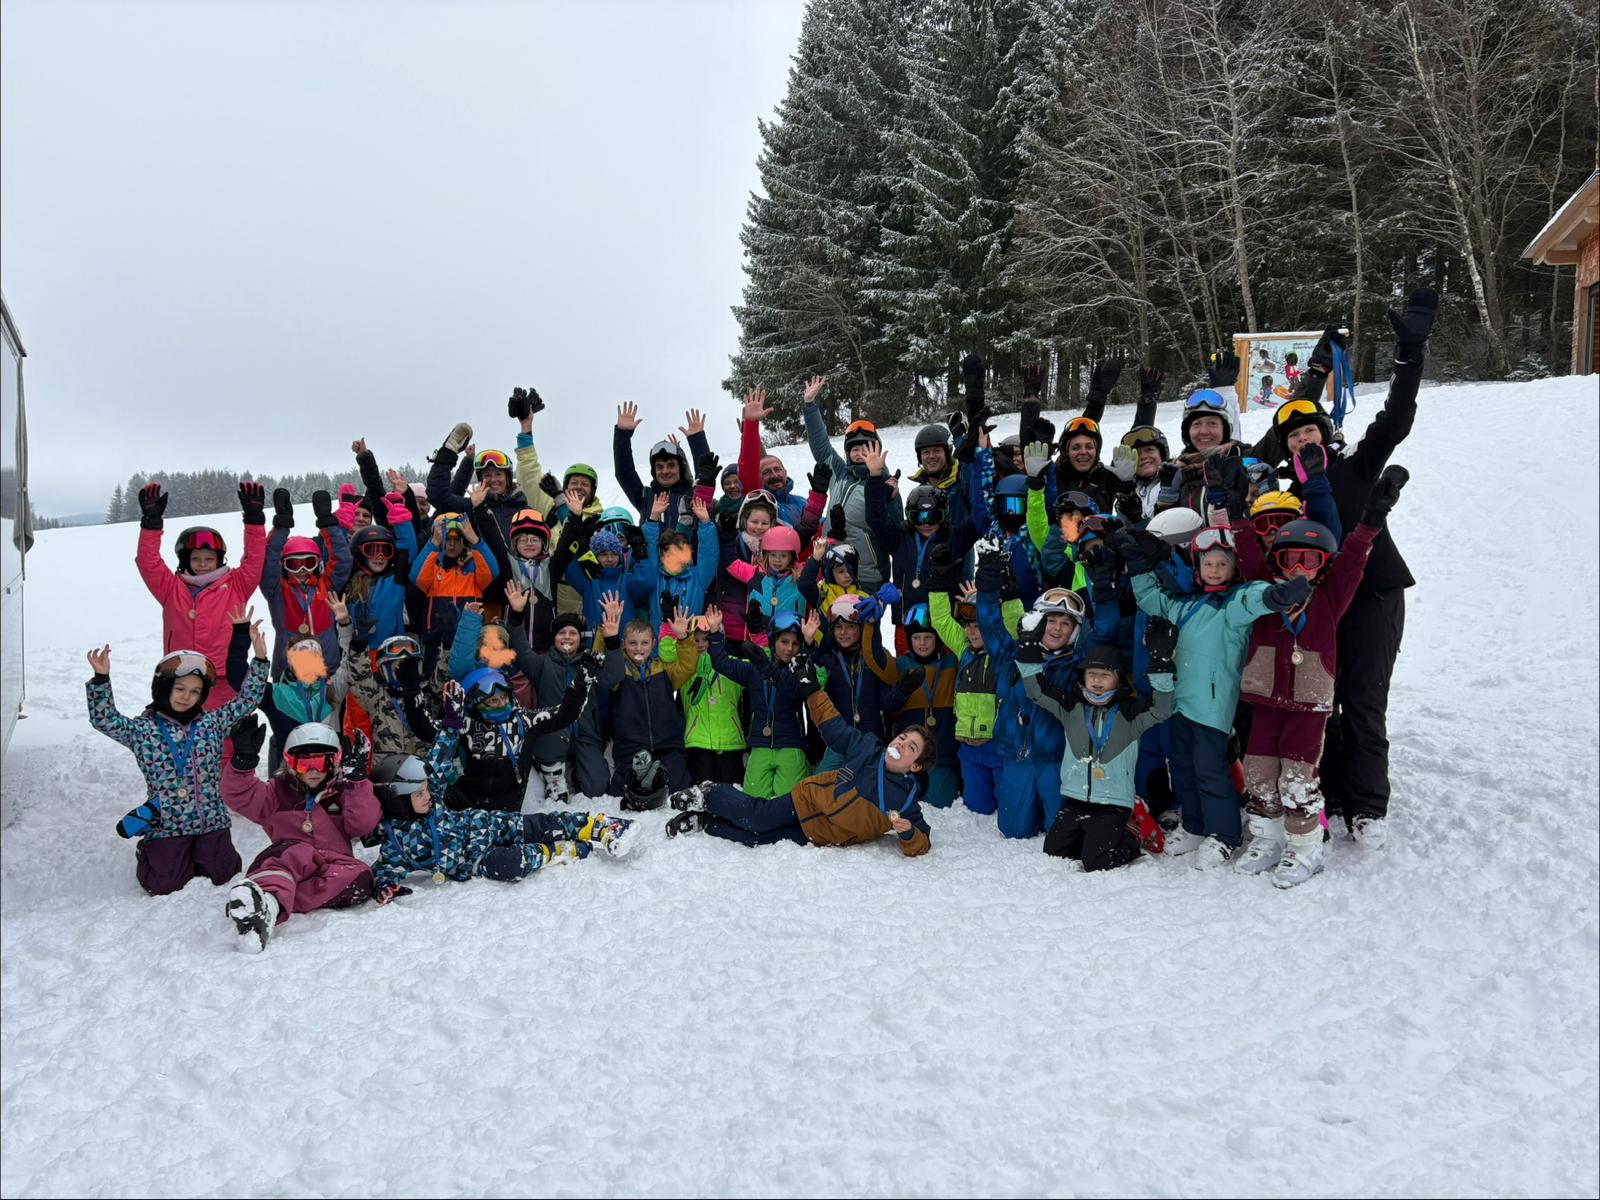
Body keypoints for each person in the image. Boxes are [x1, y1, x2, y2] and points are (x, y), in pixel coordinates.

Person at [1271, 294, 1437, 846]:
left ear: (1324, 434)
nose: (1302, 439)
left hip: (1374, 597)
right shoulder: (1286, 497)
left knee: (1364, 700)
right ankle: (1333, 792)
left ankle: (1367, 806)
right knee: (1322, 701)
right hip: (1320, 607)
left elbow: (1397, 418)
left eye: (1309, 430)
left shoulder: (1358, 466)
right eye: (1292, 436)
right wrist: (1317, 366)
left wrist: (1409, 356)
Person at [1232, 468, 1408, 885]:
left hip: (1308, 702)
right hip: (1264, 697)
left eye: (1309, 560)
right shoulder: (1264, 591)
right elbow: (1247, 552)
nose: (1298, 568)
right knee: (1258, 771)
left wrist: (1371, 520)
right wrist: (1234, 509)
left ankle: (1305, 847)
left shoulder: (1330, 597)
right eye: (1289, 558)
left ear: (1323, 565)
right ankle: (1268, 836)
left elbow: (1353, 558)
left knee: (1297, 775)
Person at [1119, 523, 1310, 869]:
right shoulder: (1187, 605)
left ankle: (1224, 834)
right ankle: (1193, 825)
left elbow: (1256, 600)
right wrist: (1137, 564)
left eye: (1222, 564)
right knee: (1182, 767)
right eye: (1209, 564)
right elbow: (1151, 599)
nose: (1215, 569)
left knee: (1209, 769)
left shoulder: (1233, 604)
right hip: (1181, 701)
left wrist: (1277, 597)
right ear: (1198, 568)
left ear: (1233, 569)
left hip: (1213, 705)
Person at [368, 686, 636, 904]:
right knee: (511, 864)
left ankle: (601, 826)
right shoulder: (396, 841)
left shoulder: (433, 796)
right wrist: (384, 886)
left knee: (537, 825)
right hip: (475, 862)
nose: (428, 795)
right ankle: (559, 851)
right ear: (397, 799)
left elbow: (440, 758)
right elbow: (383, 869)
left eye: (427, 789)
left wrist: (452, 721)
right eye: (418, 793)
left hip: (484, 824)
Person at [85, 624, 270, 896]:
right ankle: (148, 849)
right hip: (169, 823)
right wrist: (101, 679)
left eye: (195, 692)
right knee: (163, 886)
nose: (187, 696)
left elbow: (246, 701)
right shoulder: (143, 730)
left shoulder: (211, 724)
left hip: (211, 819)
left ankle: (201, 854)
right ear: (163, 688)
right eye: (180, 688)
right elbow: (105, 720)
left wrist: (261, 659)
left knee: (224, 874)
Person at [664, 673, 934, 856]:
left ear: (916, 767)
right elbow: (834, 726)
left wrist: (909, 834)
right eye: (901, 737)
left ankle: (704, 822)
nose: (900, 744)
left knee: (756, 838)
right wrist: (813, 691)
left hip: (820, 832)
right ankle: (709, 793)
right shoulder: (867, 748)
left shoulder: (906, 800)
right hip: (808, 800)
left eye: (910, 747)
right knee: (758, 816)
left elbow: (923, 842)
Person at [1018, 628, 1177, 871]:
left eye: (1105, 675)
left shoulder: (1129, 712)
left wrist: (1161, 666)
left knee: (1096, 862)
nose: (1097, 681)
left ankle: (1133, 835)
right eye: (1091, 674)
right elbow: (1037, 691)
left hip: (1111, 805)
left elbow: (1162, 709)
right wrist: (1029, 651)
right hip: (1075, 799)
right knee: (1055, 852)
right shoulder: (1071, 707)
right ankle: (1092, 837)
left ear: (1118, 679)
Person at [220, 719, 379, 953]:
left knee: (361, 877)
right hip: (286, 861)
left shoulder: (342, 791)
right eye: (305, 764)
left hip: (333, 862)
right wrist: (243, 764)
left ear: (335, 762)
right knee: (299, 851)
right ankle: (267, 902)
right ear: (290, 763)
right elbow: (242, 796)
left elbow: (362, 826)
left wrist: (357, 783)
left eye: (322, 762)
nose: (314, 771)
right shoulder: (276, 792)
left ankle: (267, 903)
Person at [134, 480, 268, 710]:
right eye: (195, 559)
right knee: (182, 738)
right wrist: (151, 524)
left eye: (209, 559)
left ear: (218, 559)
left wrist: (254, 520)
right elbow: (148, 562)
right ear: (186, 560)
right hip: (180, 676)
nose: (203, 565)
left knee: (223, 739)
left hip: (224, 678)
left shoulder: (237, 584)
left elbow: (255, 559)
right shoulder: (171, 587)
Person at [702, 606, 817, 797]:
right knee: (753, 799)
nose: (789, 648)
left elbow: (796, 690)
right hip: (760, 744)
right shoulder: (754, 670)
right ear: (773, 641)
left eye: (796, 644)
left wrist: (809, 643)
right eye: (784, 641)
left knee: (789, 800)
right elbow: (722, 663)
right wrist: (714, 633)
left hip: (790, 745)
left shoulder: (799, 671)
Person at [801, 375, 902, 589]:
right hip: (833, 568)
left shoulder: (886, 485)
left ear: (876, 450)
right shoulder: (839, 472)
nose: (860, 453)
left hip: (867, 576)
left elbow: (896, 533)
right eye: (854, 449)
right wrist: (810, 406)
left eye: (866, 447)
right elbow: (821, 445)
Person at [597, 595, 702, 795]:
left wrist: (683, 639)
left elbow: (688, 667)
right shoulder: (619, 671)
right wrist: (606, 635)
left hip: (666, 746)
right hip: (631, 748)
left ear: (653, 643)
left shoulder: (662, 669)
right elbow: (604, 672)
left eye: (644, 643)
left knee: (680, 787)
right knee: (624, 792)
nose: (639, 648)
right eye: (633, 643)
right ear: (623, 644)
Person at [929, 583, 1005, 818]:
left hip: (997, 746)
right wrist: (938, 583)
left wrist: (990, 598)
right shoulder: (964, 651)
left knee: (1007, 811)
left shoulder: (1002, 652)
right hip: (968, 747)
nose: (972, 632)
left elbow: (1012, 623)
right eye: (968, 626)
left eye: (978, 626)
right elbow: (941, 621)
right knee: (977, 812)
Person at [261, 488, 353, 676]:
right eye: (294, 564)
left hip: (328, 668)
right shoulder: (276, 590)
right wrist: (281, 527)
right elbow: (268, 562)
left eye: (308, 563)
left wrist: (328, 524)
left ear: (317, 563)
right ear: (284, 566)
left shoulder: (326, 585)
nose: (302, 570)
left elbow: (342, 561)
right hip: (289, 671)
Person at [613, 403, 711, 535]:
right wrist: (623, 435)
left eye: (671, 465)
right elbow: (624, 473)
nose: (665, 471)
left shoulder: (692, 494)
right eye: (659, 467)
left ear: (680, 469)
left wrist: (697, 440)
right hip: (653, 556)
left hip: (690, 555)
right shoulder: (645, 497)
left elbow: (705, 474)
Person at [674, 614, 747, 786]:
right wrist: (676, 635)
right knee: (702, 794)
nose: (700, 644)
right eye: (695, 639)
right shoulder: (685, 669)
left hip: (730, 742)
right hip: (698, 742)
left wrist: (758, 636)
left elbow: (760, 667)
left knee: (731, 793)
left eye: (706, 639)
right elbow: (668, 656)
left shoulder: (733, 665)